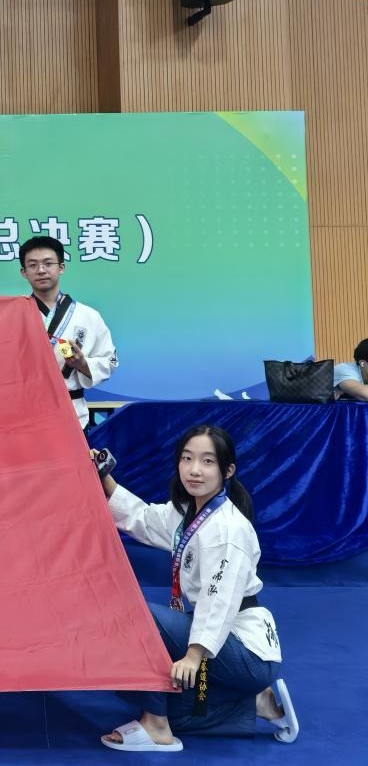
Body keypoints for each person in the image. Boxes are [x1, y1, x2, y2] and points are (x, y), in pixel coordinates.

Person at [99, 425, 297, 752]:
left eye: (207, 461)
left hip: (246, 650)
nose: (194, 469)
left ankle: (157, 728)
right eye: (187, 458)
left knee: (135, 616)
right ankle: (253, 702)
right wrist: (102, 477)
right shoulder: (189, 512)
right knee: (164, 701)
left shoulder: (228, 529)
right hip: (228, 647)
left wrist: (194, 655)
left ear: (227, 470)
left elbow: (219, 600)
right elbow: (142, 519)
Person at [18, 236, 116, 429]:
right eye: (33, 265)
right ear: (24, 272)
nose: (41, 270)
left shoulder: (89, 316)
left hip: (72, 414)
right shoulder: (15, 314)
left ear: (61, 267)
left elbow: (109, 361)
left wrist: (83, 364)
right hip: (26, 414)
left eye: (48, 263)